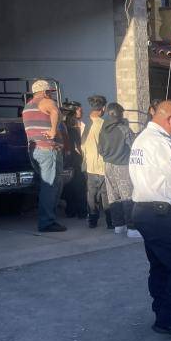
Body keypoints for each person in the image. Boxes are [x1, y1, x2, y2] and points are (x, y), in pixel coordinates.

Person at [129, 100, 171, 336]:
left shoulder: (142, 139)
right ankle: (168, 318)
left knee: (160, 267)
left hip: (144, 210)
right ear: (170, 119)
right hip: (159, 214)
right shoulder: (160, 143)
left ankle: (164, 312)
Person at [22, 80, 66, 232]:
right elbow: (54, 111)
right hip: (47, 150)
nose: (51, 95)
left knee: (48, 185)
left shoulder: (28, 106)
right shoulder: (45, 101)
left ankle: (48, 217)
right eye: (50, 92)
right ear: (45, 92)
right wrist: (54, 130)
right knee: (50, 186)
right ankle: (47, 222)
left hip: (35, 150)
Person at [99, 102, 140, 238]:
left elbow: (100, 149)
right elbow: (134, 145)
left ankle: (118, 226)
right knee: (127, 196)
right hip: (123, 165)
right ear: (119, 114)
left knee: (113, 196)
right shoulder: (124, 129)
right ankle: (132, 228)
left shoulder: (103, 129)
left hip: (108, 166)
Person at [81, 95, 112, 228]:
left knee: (91, 194)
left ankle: (92, 220)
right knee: (106, 195)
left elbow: (80, 145)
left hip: (89, 165)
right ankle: (110, 222)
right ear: (103, 108)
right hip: (103, 165)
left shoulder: (83, 124)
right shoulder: (104, 124)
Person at [60, 102, 87, 218]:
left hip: (68, 160)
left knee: (72, 186)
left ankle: (72, 210)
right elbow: (78, 146)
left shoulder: (64, 126)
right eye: (79, 110)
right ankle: (80, 211)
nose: (81, 112)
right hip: (73, 160)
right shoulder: (70, 129)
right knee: (77, 186)